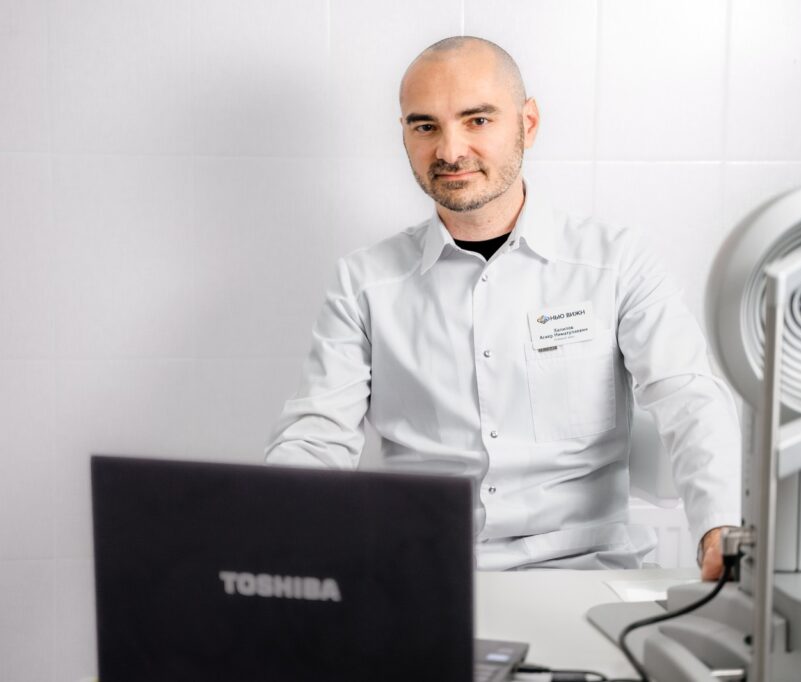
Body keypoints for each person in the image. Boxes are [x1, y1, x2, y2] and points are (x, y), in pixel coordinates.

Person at [266, 36, 740, 577]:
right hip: (420, 574)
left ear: (527, 124)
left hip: (585, 571)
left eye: (477, 120)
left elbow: (690, 399)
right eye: (425, 126)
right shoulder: (364, 282)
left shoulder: (616, 262)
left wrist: (719, 531)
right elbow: (317, 435)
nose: (450, 151)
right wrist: (275, 532)